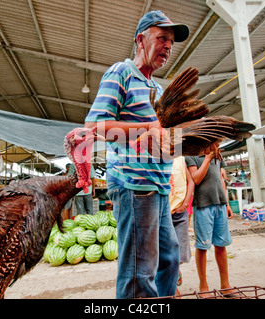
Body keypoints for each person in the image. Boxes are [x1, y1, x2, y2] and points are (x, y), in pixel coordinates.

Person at [84, 10, 189, 298]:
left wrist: (182, 141)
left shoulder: (158, 89)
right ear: (141, 40)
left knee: (169, 260)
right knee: (139, 271)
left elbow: (169, 144)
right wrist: (146, 129)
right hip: (133, 186)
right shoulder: (122, 73)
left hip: (159, 186)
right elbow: (95, 127)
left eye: (171, 42)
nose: (168, 46)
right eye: (162, 38)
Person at [185, 150, 235, 295]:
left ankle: (225, 285)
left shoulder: (217, 155)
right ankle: (203, 286)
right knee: (202, 246)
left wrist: (227, 203)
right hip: (202, 205)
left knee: (221, 245)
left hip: (219, 203)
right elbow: (196, 179)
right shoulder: (191, 155)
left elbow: (220, 178)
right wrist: (207, 159)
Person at [169, 156, 194, 295]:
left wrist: (185, 203)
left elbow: (191, 182)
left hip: (179, 213)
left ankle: (175, 270)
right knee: (166, 252)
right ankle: (173, 288)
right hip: (163, 213)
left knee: (181, 252)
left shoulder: (181, 159)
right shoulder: (156, 157)